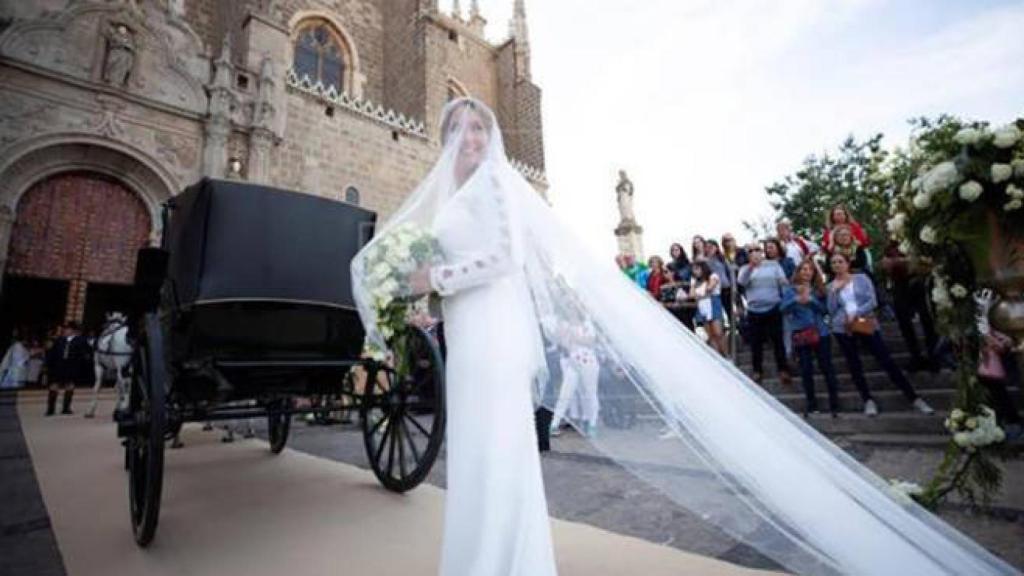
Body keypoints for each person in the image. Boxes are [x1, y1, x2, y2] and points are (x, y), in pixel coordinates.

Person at [351, 98, 1014, 576]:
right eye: (457, 132)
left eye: (477, 130)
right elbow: (461, 274)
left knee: (495, 446)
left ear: (489, 140)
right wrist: (424, 300)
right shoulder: (453, 198)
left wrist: (433, 273)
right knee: (477, 447)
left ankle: (501, 563)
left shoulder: (497, 181)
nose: (468, 141)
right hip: (468, 336)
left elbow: (501, 260)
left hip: (493, 341)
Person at [826, 252, 934, 417]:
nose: (837, 265)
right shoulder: (831, 286)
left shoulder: (861, 278)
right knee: (854, 364)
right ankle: (867, 400)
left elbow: (872, 300)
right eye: (833, 262)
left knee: (885, 358)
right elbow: (832, 311)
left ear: (848, 264)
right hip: (843, 327)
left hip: (863, 321)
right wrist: (834, 292)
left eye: (840, 261)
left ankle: (913, 398)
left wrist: (857, 313)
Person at [781, 259, 840, 416]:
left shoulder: (819, 290)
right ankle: (811, 404)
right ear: (798, 272)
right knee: (806, 370)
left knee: (826, 367)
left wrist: (811, 300)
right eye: (803, 269)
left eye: (810, 270)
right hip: (801, 334)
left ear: (814, 273)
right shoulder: (791, 290)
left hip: (821, 333)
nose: (806, 272)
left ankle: (834, 403)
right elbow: (782, 309)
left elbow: (825, 310)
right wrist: (796, 300)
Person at [881, 240, 940, 372]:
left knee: (927, 319)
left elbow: (927, 262)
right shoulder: (890, 246)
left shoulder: (918, 240)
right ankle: (915, 356)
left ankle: (934, 355)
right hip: (899, 285)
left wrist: (900, 261)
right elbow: (885, 264)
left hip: (920, 282)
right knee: (904, 322)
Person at [736, 245, 792, 385]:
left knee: (778, 341)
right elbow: (741, 282)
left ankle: (783, 369)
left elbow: (783, 282)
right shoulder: (744, 269)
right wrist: (751, 267)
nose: (754, 253)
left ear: (762, 253)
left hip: (774, 308)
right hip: (754, 310)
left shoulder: (773, 265)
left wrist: (786, 301)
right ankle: (757, 370)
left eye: (757, 250)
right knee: (756, 343)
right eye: (751, 251)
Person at [686, 260, 727, 355]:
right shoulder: (695, 281)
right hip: (702, 306)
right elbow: (691, 295)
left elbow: (709, 289)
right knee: (710, 335)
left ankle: (726, 355)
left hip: (713, 303)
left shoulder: (713, 276)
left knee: (718, 333)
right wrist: (695, 289)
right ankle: (718, 357)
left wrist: (698, 293)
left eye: (697, 269)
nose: (695, 272)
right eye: (693, 270)